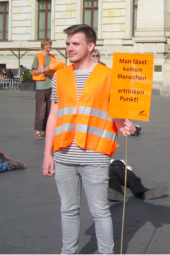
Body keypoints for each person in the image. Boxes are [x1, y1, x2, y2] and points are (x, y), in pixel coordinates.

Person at [42, 24, 136, 254]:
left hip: (95, 153)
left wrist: (124, 124)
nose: (70, 48)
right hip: (63, 153)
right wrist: (47, 153)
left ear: (90, 46)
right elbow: (53, 115)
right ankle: (68, 252)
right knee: (68, 209)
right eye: (67, 44)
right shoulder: (60, 76)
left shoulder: (108, 75)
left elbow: (115, 112)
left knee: (100, 210)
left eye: (75, 43)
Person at [31, 38, 55, 140]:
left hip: (51, 86)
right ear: (43, 46)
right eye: (48, 45)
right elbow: (33, 72)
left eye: (50, 44)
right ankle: (38, 131)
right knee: (40, 110)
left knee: (50, 110)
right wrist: (43, 70)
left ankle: (47, 129)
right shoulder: (38, 56)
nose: (49, 46)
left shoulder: (53, 57)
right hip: (41, 86)